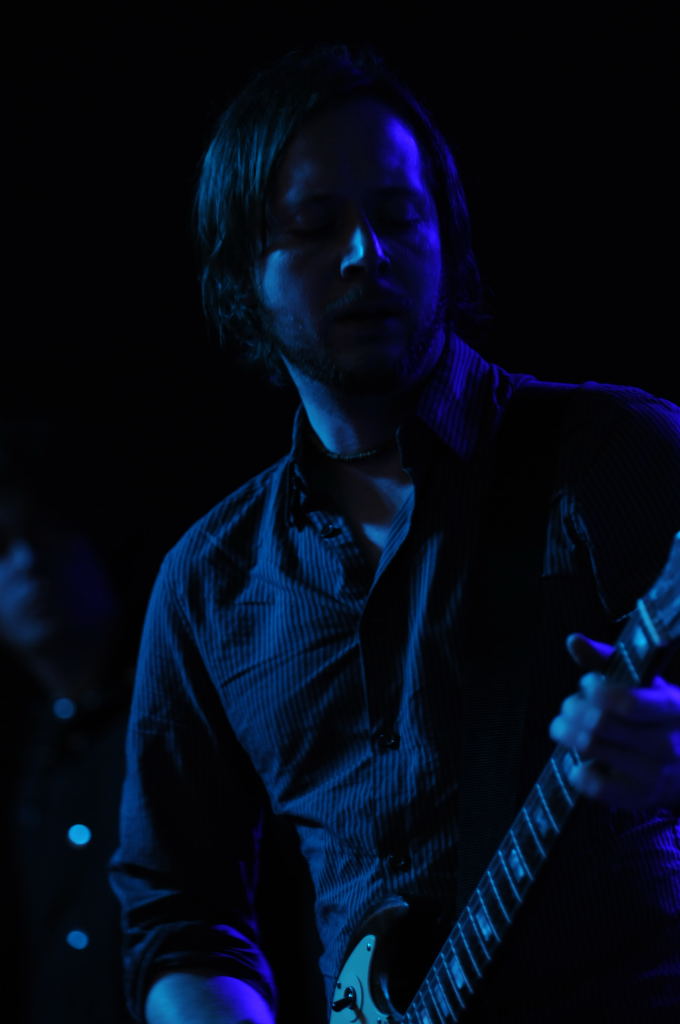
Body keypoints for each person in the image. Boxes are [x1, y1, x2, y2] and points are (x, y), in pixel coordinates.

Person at [109, 44, 680, 1023]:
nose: (365, 254)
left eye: (399, 214)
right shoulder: (208, 583)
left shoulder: (618, 455)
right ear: (241, 273)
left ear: (447, 235)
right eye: (312, 225)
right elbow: (179, 910)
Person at [0, 420, 146, 1024]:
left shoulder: (172, 714)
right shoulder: (27, 760)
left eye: (44, 535)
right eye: (2, 549)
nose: (28, 562)